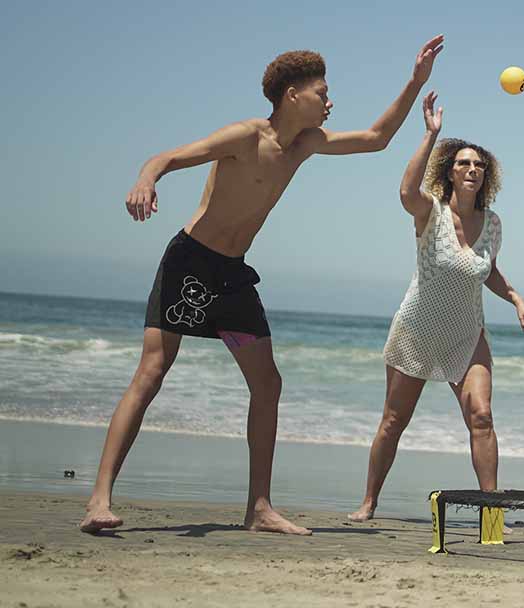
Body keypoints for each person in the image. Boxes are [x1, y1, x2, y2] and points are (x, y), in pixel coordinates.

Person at [80, 37, 445, 535]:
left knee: (268, 384)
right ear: (292, 95)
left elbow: (378, 137)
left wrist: (414, 81)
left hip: (232, 277)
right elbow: (165, 157)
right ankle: (99, 500)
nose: (330, 100)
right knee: (152, 371)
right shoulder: (244, 136)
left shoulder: (306, 144)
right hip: (190, 265)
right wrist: (146, 180)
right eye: (322, 92)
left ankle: (259, 508)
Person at [348, 92, 524, 522]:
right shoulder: (429, 213)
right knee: (394, 421)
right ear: (450, 173)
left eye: (478, 165)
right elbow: (405, 190)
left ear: (485, 175)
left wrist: (517, 299)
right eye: (463, 164)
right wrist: (431, 135)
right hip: (417, 329)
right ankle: (369, 501)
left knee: (482, 416)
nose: (472, 169)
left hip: (467, 333)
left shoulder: (492, 223)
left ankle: (491, 512)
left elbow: (486, 269)